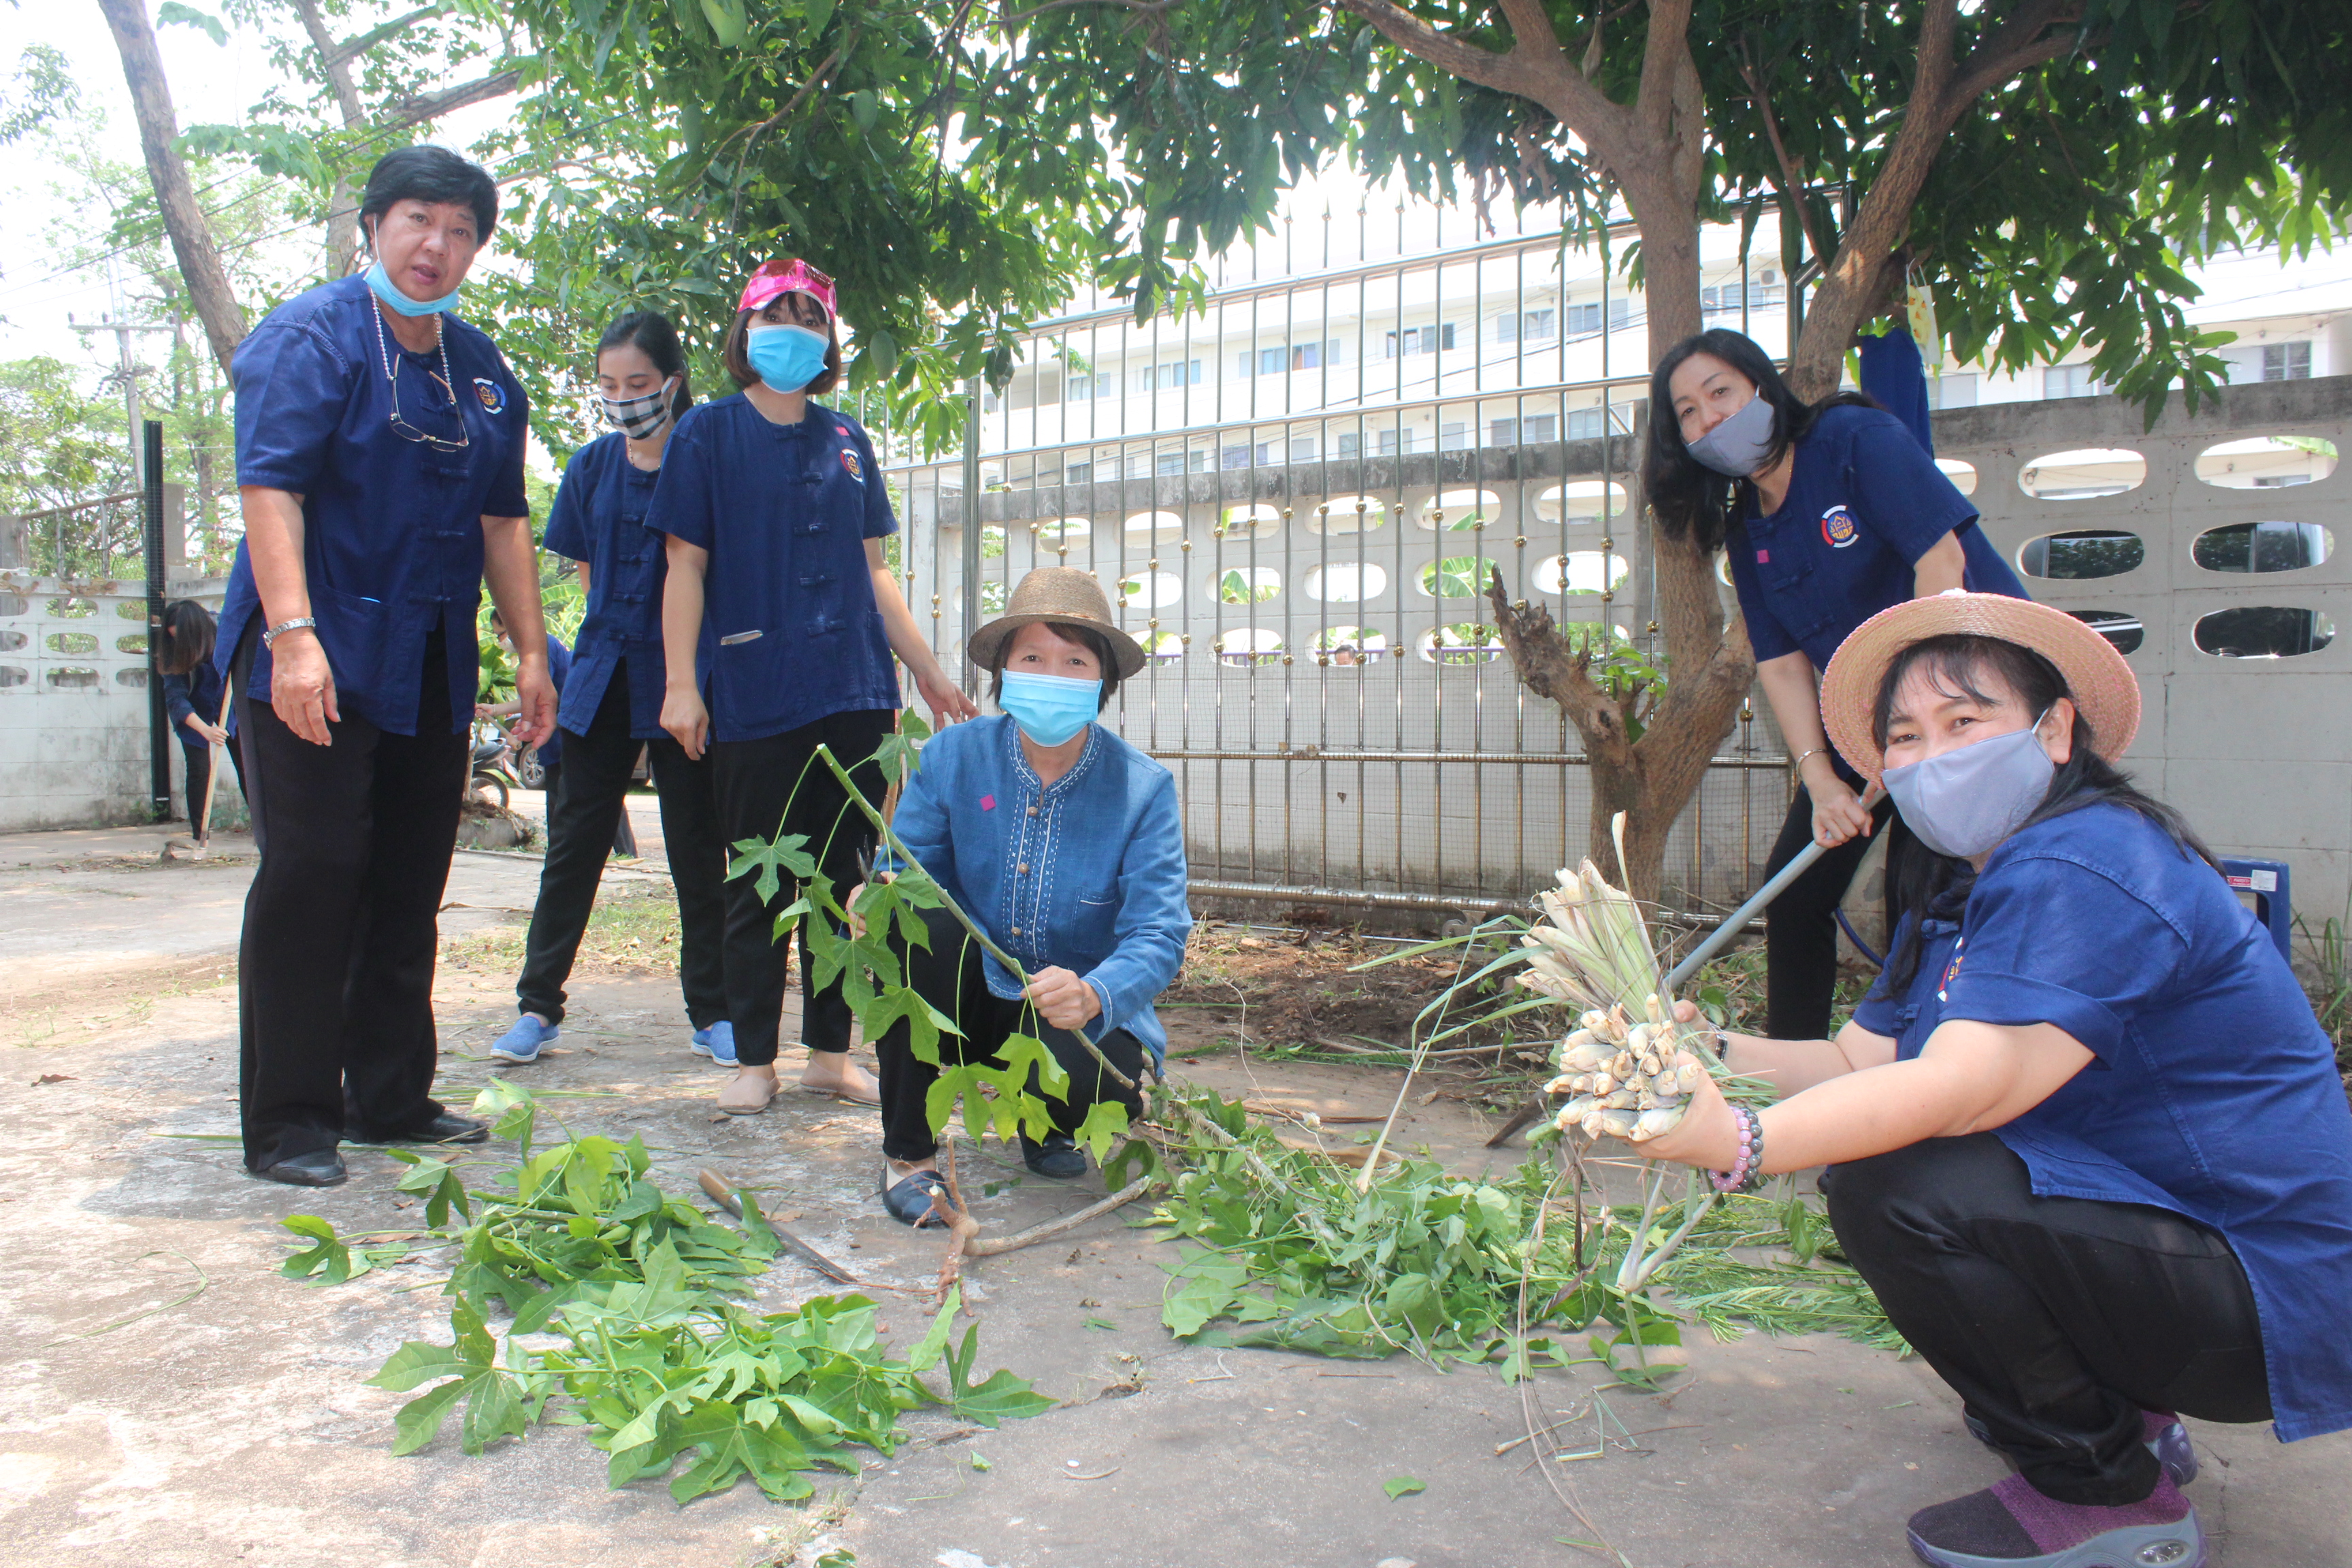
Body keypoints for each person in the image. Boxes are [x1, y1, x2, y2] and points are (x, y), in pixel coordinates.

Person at [1637, 590, 2352, 1567]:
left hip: (2267, 1297)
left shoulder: (2091, 859)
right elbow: (1858, 1061)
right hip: (2177, 1259)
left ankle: (2109, 1496)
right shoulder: (1971, 892)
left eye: (1965, 722)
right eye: (1906, 736)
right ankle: (2125, 1423)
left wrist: (1744, 1142)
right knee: (1895, 1150)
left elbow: (1971, 1085)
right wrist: (1705, 1053)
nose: (1934, 759)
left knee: (1895, 1183)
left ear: (2055, 730)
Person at [218, 145, 555, 1188]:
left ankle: (390, 1098)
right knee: (315, 877)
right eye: (417, 221)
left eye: (460, 231)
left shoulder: (485, 371)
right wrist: (293, 637)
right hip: (314, 654)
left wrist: (534, 654)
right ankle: (289, 1120)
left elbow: (504, 520)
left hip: (429, 663)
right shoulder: (311, 338)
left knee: (410, 881)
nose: (436, 247)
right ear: (374, 225)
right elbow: (270, 489)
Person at [653, 258, 976, 1116]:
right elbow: (684, 567)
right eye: (774, 317)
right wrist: (681, 683)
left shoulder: (848, 440)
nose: (790, 334)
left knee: (845, 881)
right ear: (745, 331)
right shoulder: (705, 434)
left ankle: (829, 1054)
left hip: (855, 690)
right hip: (754, 690)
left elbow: (876, 574)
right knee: (759, 878)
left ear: (828, 339)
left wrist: (929, 672)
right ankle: (752, 1061)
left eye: (808, 320)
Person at [1646, 327, 2030, 1040]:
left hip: (1972, 697)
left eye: (1720, 392)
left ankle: (1923, 1082)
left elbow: (1939, 565)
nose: (1709, 419)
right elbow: (1782, 662)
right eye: (1688, 412)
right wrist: (1821, 779)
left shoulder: (1853, 439)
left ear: (1762, 385)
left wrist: (1915, 730)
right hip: (1868, 718)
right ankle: (1794, 1089)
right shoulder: (1746, 529)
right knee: (1796, 893)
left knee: (1922, 895)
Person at [852, 568, 1191, 1223]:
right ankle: (909, 1155)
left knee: (1113, 1088)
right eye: (1033, 657)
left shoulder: (1143, 790)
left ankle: (1046, 1124)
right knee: (909, 912)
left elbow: (1159, 934)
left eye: (1075, 660)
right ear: (1005, 671)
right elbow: (904, 866)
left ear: (1101, 683)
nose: (1053, 674)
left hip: (1067, 1015)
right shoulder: (953, 756)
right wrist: (875, 895)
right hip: (964, 1000)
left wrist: (1095, 991)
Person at [486, 312, 728, 1068]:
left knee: (695, 850)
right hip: (600, 680)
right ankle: (537, 1006)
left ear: (673, 384)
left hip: (687, 681)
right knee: (576, 846)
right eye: (610, 386)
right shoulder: (591, 468)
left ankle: (712, 1013)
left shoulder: (707, 461)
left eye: (640, 385)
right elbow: (592, 582)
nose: (624, 400)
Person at [479, 609, 634, 857]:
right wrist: (496, 709)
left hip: (566, 730)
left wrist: (501, 714)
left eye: (502, 634)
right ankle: (560, 855)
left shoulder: (541, 650)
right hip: (557, 735)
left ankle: (624, 853)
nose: (501, 642)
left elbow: (538, 697)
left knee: (593, 796)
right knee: (561, 799)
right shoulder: (540, 650)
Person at [158, 599, 246, 841]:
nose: (178, 644)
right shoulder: (172, 656)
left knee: (248, 766)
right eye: (174, 638)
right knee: (199, 770)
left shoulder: (224, 635)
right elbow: (176, 700)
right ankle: (201, 832)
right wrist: (205, 730)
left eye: (182, 638)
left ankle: (265, 827)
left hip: (230, 704)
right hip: (194, 712)